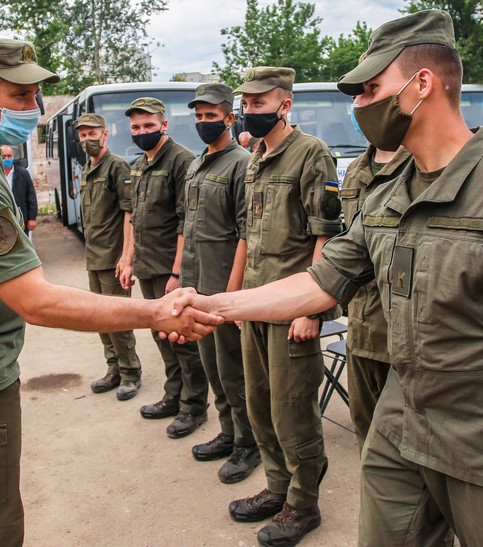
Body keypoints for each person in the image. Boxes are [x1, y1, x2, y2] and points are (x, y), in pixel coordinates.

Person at [170, 10, 483, 547]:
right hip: (400, 427)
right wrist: (216, 305)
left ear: (422, 84)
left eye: (371, 89)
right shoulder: (388, 194)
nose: (360, 105)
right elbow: (320, 281)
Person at [0, 37, 219, 546]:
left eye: (35, 95)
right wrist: (156, 313)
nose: (34, 108)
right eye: (20, 96)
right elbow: (36, 301)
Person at [225, 67, 344, 547]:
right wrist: (236, 302)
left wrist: (310, 310)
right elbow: (249, 235)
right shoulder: (256, 157)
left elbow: (326, 236)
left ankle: (304, 504)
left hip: (292, 305)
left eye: (259, 103)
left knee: (293, 411)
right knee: (260, 405)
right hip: (256, 303)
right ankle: (278, 487)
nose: (249, 111)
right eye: (246, 104)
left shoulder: (312, 153)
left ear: (285, 105)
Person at [182, 83, 260, 483]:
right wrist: (182, 281)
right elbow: (189, 225)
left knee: (233, 372)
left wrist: (232, 295)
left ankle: (249, 443)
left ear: (229, 118)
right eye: (198, 116)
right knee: (212, 367)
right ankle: (228, 432)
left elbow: (247, 233)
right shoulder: (197, 163)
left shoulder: (241, 164)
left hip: (223, 287)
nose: (203, 122)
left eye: (210, 116)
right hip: (197, 284)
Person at [125, 97, 210, 439]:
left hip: (170, 269)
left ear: (163, 125)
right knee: (162, 336)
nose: (141, 132)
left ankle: (194, 407)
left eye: (148, 125)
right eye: (135, 127)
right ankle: (173, 396)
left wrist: (176, 274)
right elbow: (134, 217)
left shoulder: (181, 161)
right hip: (148, 265)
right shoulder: (139, 164)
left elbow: (185, 221)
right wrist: (128, 259)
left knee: (183, 339)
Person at [339, 139, 411, 453]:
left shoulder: (419, 166)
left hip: (402, 337)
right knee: (365, 431)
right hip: (360, 328)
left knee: (405, 443)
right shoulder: (356, 169)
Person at [74, 112, 143, 400]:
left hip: (113, 259)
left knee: (118, 320)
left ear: (105, 134)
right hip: (94, 257)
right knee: (100, 319)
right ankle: (113, 368)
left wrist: (127, 257)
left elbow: (130, 214)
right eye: (83, 135)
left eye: (93, 133)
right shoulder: (88, 169)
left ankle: (130, 373)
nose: (87, 139)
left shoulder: (117, 166)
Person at [0, 144, 38, 237]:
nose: (6, 158)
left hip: (21, 219)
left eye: (9, 156)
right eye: (3, 156)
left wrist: (32, 218)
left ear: (13, 157)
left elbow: (31, 196)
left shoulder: (23, 173)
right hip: (2, 220)